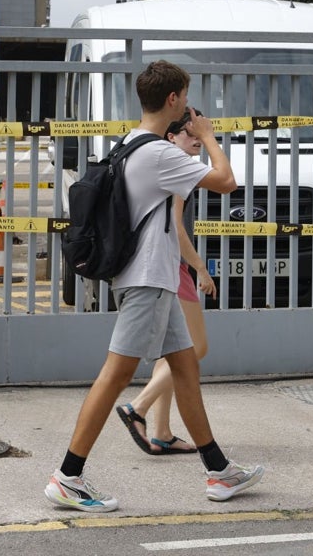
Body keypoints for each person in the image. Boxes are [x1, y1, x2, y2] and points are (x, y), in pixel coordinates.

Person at [44, 61, 265, 512]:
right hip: (147, 280)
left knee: (185, 369)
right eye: (185, 95)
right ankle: (68, 475)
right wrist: (205, 136)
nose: (187, 104)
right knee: (115, 376)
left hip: (150, 278)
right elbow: (227, 182)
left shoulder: (128, 143)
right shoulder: (162, 154)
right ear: (173, 100)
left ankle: (219, 472)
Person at [115, 109, 217, 457]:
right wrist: (200, 269)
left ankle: (161, 431)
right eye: (191, 135)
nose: (197, 141)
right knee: (195, 348)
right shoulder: (172, 165)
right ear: (172, 137)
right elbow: (177, 225)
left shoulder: (164, 160)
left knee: (172, 353)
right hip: (172, 267)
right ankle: (137, 407)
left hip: (169, 267)